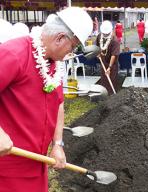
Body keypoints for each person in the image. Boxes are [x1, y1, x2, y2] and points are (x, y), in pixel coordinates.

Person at [0, 7, 93, 192]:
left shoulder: (54, 64)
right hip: (8, 168)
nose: (70, 53)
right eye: (72, 47)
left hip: (37, 164)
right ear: (60, 38)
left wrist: (58, 144)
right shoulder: (14, 53)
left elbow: (58, 103)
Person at [96, 20, 120, 95]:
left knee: (112, 80)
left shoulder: (114, 40)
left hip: (112, 65)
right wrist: (98, 53)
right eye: (104, 33)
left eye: (106, 33)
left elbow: (114, 55)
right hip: (103, 62)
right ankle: (105, 95)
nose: (105, 34)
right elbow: (97, 47)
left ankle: (112, 96)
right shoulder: (99, 36)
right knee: (104, 80)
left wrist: (109, 67)